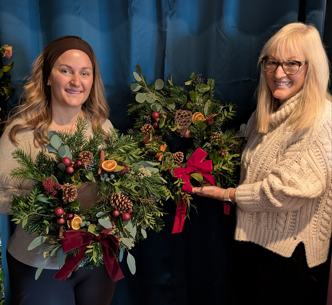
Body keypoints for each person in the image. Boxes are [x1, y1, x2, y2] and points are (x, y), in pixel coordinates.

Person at [191, 22, 332, 305]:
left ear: (311, 67)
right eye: (272, 62)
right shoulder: (268, 113)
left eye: (292, 64)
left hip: (290, 261)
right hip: (255, 248)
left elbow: (285, 190)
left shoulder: (320, 121)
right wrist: (197, 131)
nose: (279, 73)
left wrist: (227, 195)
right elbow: (245, 149)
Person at [0, 36, 116, 305]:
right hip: (39, 266)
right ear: (48, 77)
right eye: (66, 71)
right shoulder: (21, 133)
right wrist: (41, 198)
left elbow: (118, 184)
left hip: (96, 261)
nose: (77, 81)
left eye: (84, 73)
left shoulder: (102, 128)